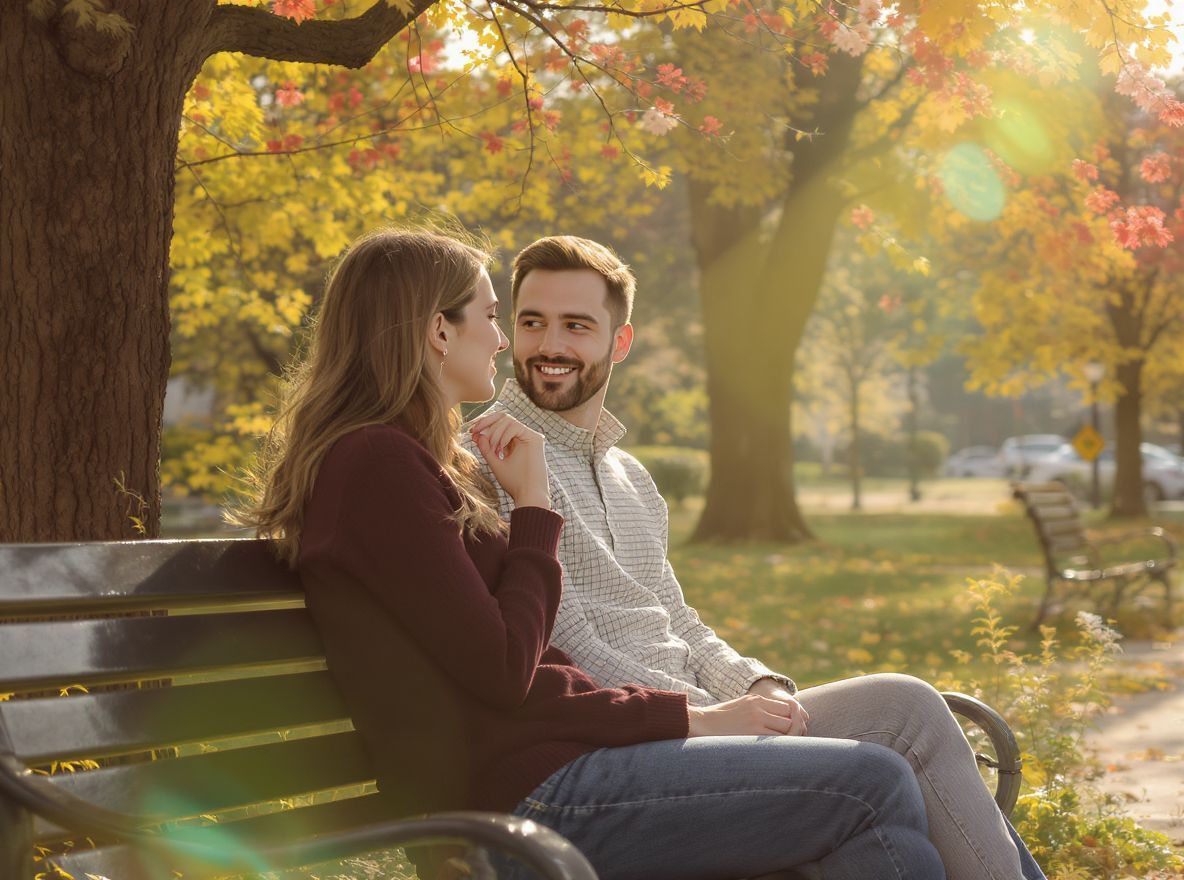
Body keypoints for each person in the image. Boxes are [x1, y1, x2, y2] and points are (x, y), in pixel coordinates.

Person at [238, 228, 948, 880]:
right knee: (873, 782)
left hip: (555, 771)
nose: (498, 340)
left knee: (867, 824)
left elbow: (526, 664)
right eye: (493, 316)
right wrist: (538, 512)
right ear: (436, 331)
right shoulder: (377, 467)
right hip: (514, 808)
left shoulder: (413, 463)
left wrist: (700, 712)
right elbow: (506, 668)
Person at [462, 234, 1047, 880]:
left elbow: (680, 621)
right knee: (887, 809)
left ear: (619, 343)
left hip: (701, 721)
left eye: (576, 326)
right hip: (633, 741)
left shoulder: (629, 476)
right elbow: (568, 649)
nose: (550, 346)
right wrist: (717, 720)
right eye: (532, 322)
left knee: (908, 711)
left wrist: (755, 686)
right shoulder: (497, 461)